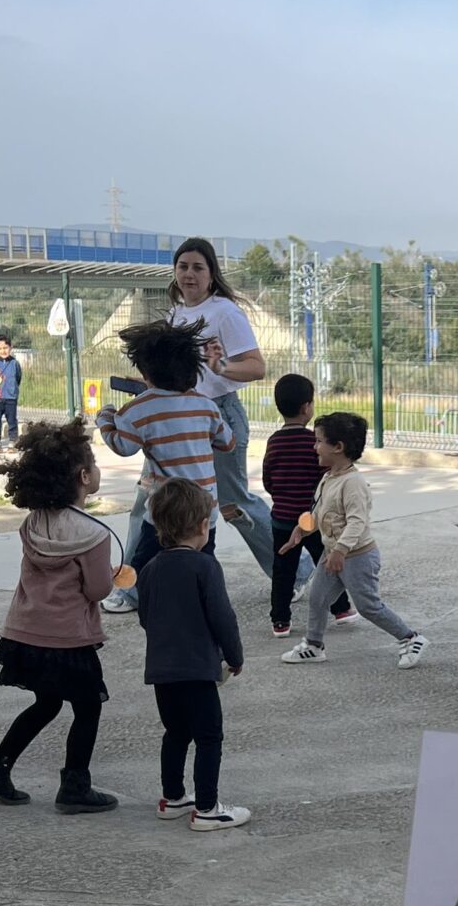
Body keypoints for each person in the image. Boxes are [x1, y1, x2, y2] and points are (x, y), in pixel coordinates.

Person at [0, 416, 119, 813]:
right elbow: (98, 590)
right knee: (88, 707)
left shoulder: (33, 523)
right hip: (69, 637)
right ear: (84, 476)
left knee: (47, 703)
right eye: (94, 464)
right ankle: (75, 785)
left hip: (27, 631)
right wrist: (110, 576)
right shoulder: (94, 533)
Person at [135, 478, 251, 830]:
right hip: (198, 669)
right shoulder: (205, 566)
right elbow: (222, 617)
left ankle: (173, 798)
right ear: (203, 526)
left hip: (162, 669)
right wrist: (234, 656)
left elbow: (145, 617)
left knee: (176, 732)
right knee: (209, 736)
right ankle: (207, 808)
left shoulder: (150, 569)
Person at [98, 319, 234, 612]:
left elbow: (122, 446)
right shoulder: (206, 405)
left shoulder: (138, 409)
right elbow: (228, 443)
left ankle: (137, 600)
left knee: (145, 561)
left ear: (145, 372)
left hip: (167, 510)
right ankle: (206, 605)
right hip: (205, 507)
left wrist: (106, 418)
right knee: (204, 560)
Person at [165, 237, 280, 581]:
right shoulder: (175, 313)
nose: (189, 274)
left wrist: (221, 367)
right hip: (179, 416)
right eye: (183, 266)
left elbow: (256, 367)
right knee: (157, 499)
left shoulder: (225, 312)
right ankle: (136, 584)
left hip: (219, 414)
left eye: (198, 268)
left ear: (211, 274)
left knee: (232, 504)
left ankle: (295, 571)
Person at [280, 411, 427, 667]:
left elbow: (357, 522)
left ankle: (411, 638)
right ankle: (314, 646)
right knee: (318, 599)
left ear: (338, 447)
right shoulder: (328, 477)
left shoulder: (353, 483)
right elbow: (320, 512)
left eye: (318, 441)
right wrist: (302, 530)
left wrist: (340, 551)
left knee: (369, 606)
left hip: (357, 557)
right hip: (332, 554)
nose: (314, 447)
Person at [259, 371, 349, 638]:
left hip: (282, 518)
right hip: (313, 518)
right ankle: (341, 608)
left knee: (282, 569)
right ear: (306, 407)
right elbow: (324, 476)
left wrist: (281, 496)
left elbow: (268, 478)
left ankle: (280, 621)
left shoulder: (274, 441)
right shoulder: (314, 442)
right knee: (327, 560)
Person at [0, 336, 22, 444]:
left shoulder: (15, 363)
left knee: (12, 420)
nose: (3, 351)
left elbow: (18, 378)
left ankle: (12, 441)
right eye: (0, 348)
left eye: (5, 348)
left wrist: (12, 389)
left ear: (10, 348)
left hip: (11, 397)